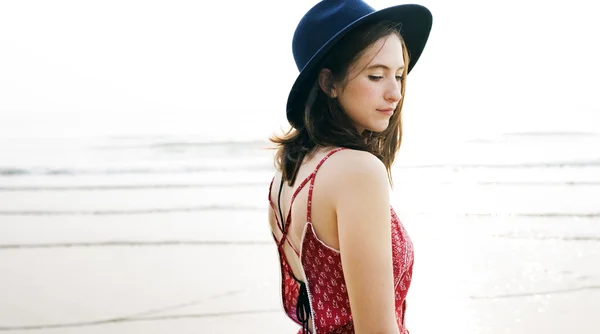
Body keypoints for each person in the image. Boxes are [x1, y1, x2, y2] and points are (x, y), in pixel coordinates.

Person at [267, 1, 432, 333]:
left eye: (399, 75)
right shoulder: (357, 171)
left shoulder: (287, 174)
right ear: (329, 83)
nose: (395, 93)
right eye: (376, 76)